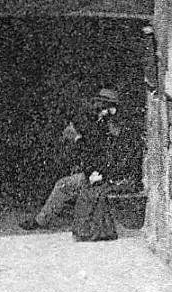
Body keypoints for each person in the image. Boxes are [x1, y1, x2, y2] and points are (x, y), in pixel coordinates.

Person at [20, 88, 121, 231]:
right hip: (98, 170)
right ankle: (43, 218)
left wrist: (78, 141)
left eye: (106, 108)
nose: (104, 112)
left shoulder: (104, 127)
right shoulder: (101, 124)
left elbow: (99, 154)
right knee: (66, 180)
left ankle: (40, 221)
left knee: (62, 185)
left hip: (99, 174)